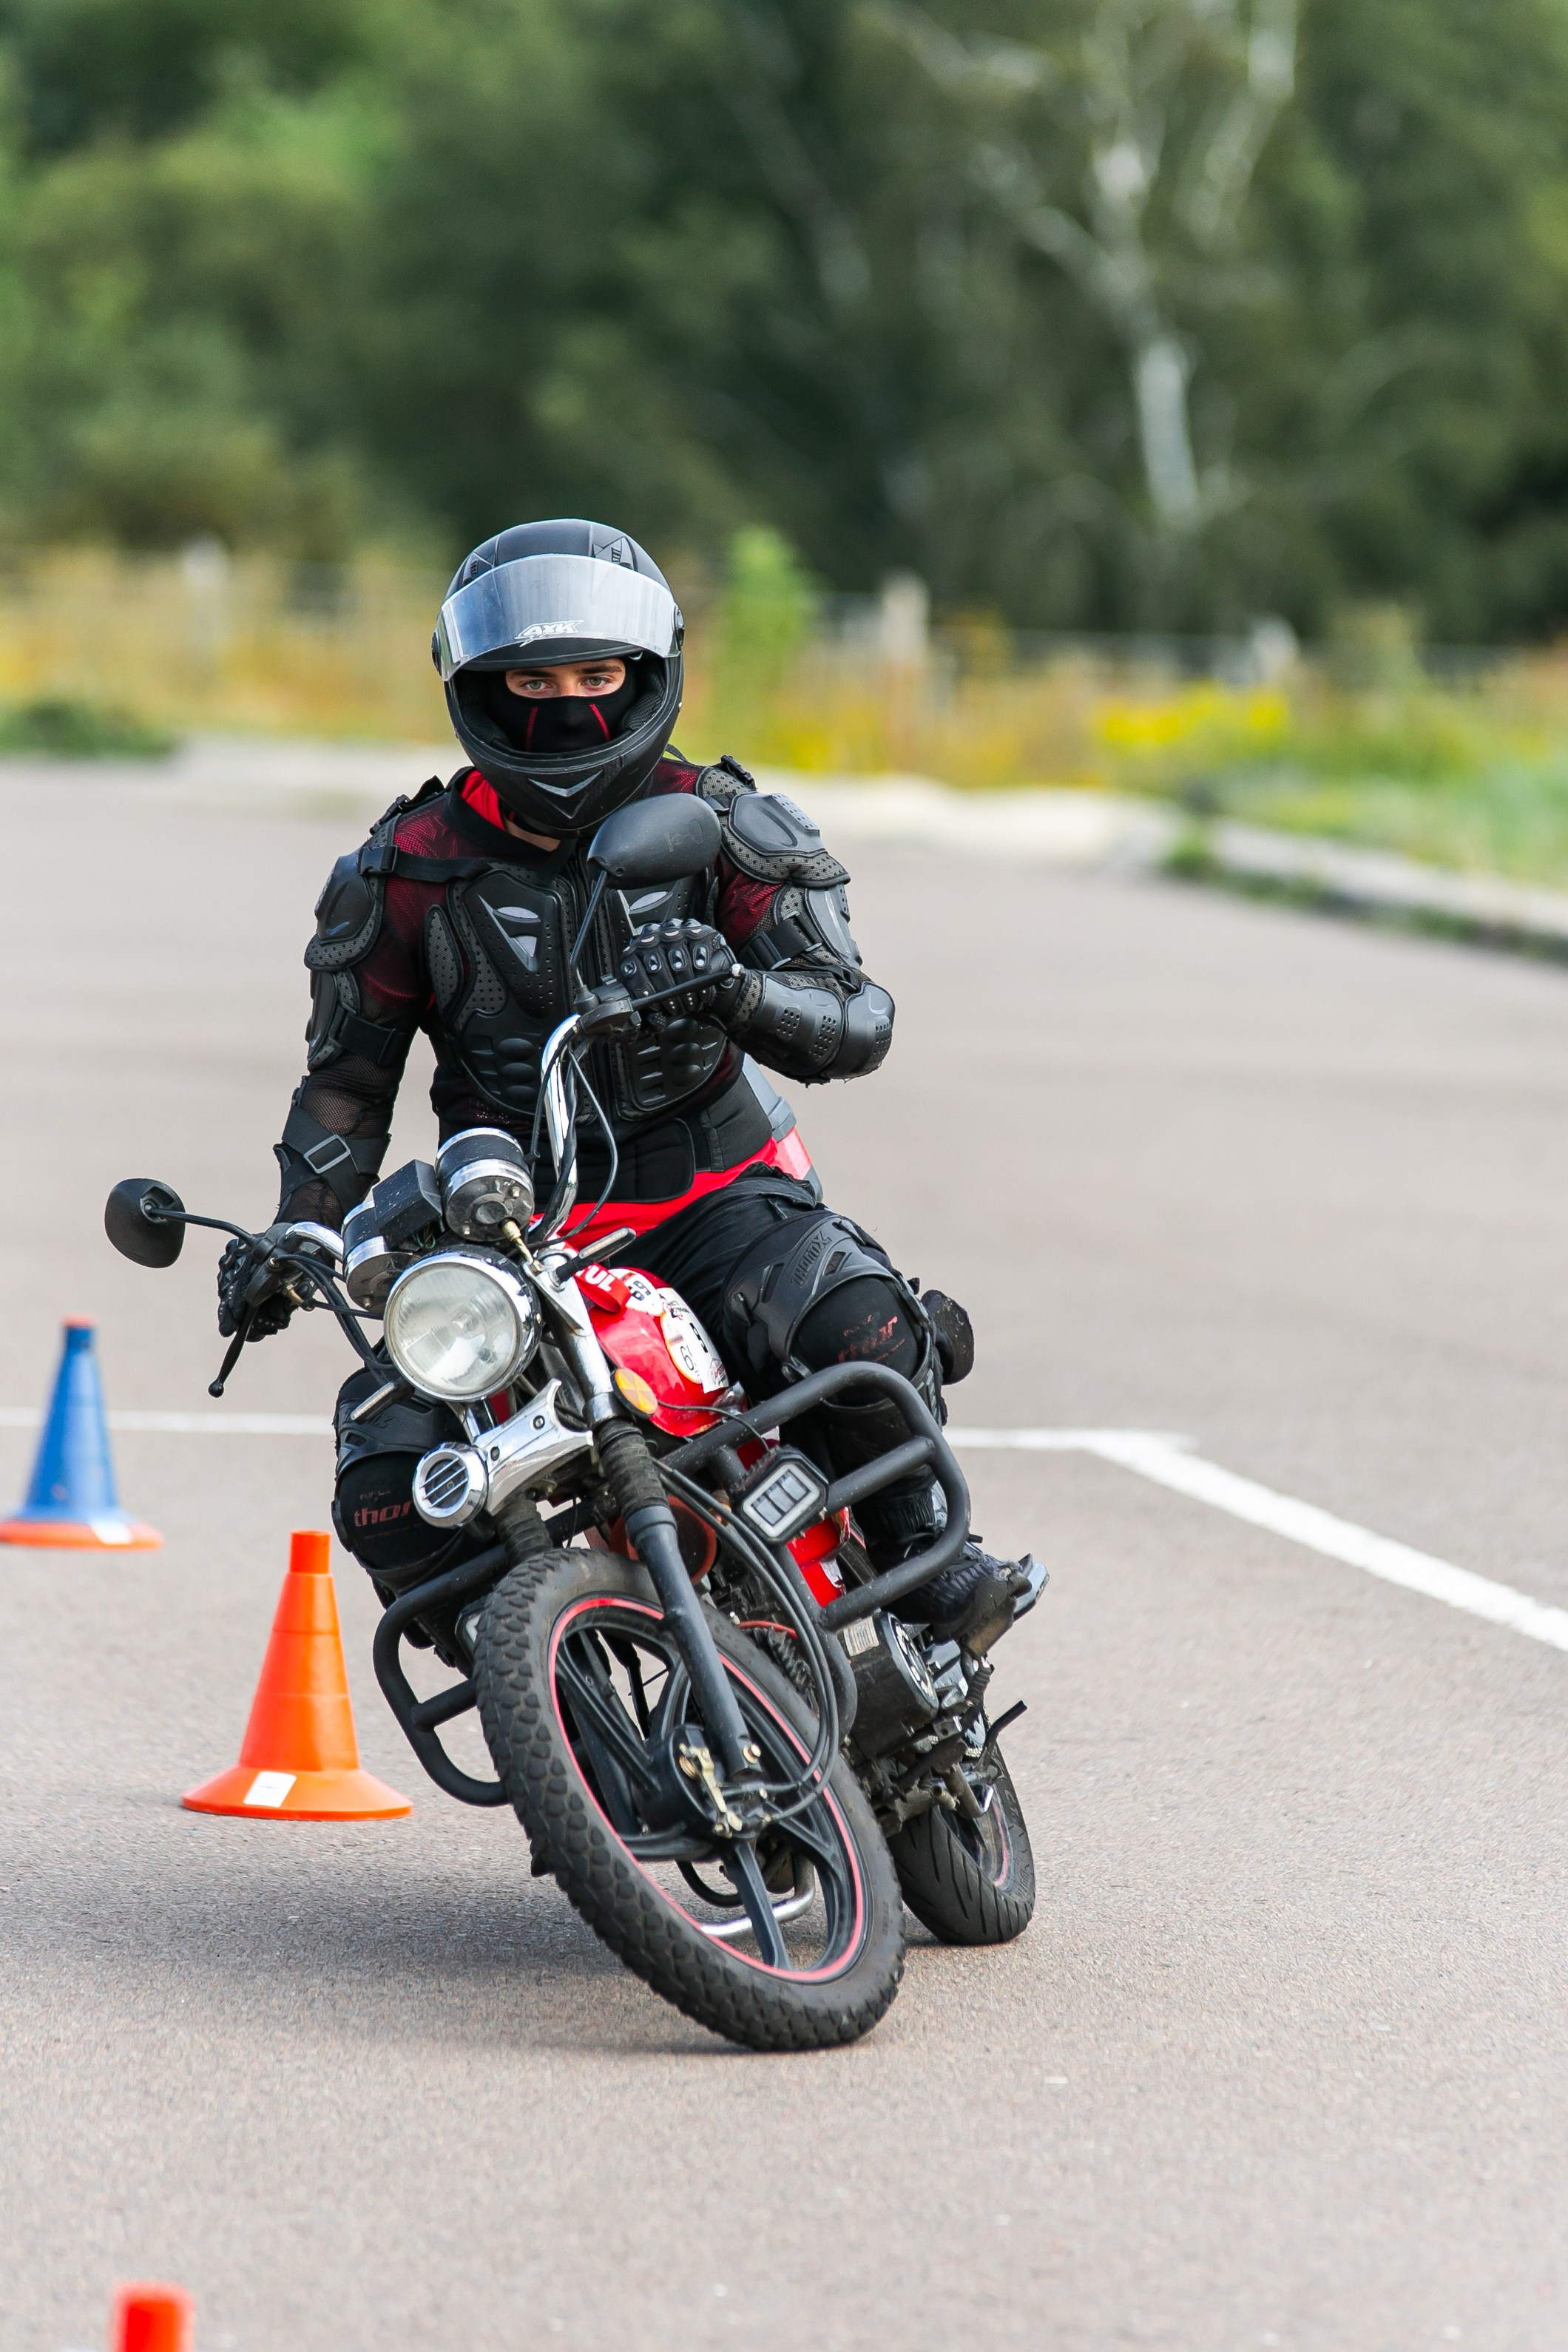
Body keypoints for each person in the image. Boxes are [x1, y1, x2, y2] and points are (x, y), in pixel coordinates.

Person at [217, 518, 1027, 1642]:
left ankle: (922, 1563)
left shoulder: (732, 824)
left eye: (597, 678)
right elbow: (346, 1088)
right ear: (478, 688)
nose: (568, 708)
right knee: (386, 1476)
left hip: (713, 1196)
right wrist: (297, 1232)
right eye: (534, 682)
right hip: (505, 1230)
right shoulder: (399, 869)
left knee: (854, 1319)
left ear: (647, 675)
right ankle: (532, 1664)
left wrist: (736, 993)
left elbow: (857, 1018)